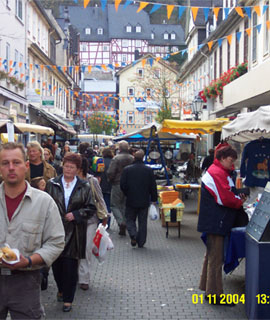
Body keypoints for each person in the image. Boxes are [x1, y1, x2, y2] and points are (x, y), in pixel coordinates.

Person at [0, 142, 65, 319]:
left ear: (26, 165)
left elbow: (56, 241)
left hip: (26, 281)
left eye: (16, 162)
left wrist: (28, 260)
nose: (11, 168)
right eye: (5, 163)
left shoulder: (44, 202)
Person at [46, 152, 96, 312]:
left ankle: (68, 299)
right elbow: (45, 204)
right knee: (57, 266)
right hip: (54, 231)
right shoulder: (52, 183)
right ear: (62, 166)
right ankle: (61, 289)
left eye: (72, 167)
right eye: (66, 166)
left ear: (77, 169)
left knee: (70, 267)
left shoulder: (85, 186)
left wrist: (76, 214)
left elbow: (91, 208)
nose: (68, 169)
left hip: (74, 232)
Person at [197, 145, 246, 306]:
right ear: (223, 158)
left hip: (214, 219)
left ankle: (208, 288)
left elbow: (225, 194)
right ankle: (215, 296)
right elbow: (225, 198)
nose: (232, 165)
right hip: (217, 220)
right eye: (231, 161)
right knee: (216, 259)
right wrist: (240, 201)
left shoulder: (217, 171)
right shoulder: (217, 173)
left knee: (211, 257)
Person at [77, 156, 108, 291]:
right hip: (73, 220)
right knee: (73, 250)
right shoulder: (67, 180)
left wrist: (104, 215)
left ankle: (84, 278)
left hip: (90, 220)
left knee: (86, 249)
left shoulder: (92, 180)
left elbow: (99, 198)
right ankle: (74, 276)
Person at [120, 149, 157, 248]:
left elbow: (122, 184)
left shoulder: (127, 170)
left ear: (134, 157)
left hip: (131, 199)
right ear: (143, 158)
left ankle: (133, 234)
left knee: (130, 219)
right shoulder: (148, 170)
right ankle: (141, 241)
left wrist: (127, 193)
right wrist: (154, 199)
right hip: (144, 200)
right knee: (142, 222)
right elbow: (153, 186)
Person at [107, 140, 134, 236]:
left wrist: (110, 180)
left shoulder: (116, 158)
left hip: (117, 184)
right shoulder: (132, 158)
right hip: (129, 185)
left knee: (114, 205)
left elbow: (111, 172)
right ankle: (124, 221)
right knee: (124, 205)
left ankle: (121, 222)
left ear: (119, 148)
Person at [100, 147, 114, 228]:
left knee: (101, 205)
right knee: (108, 205)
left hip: (101, 186)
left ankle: (101, 222)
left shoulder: (100, 162)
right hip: (110, 186)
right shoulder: (113, 161)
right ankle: (107, 223)